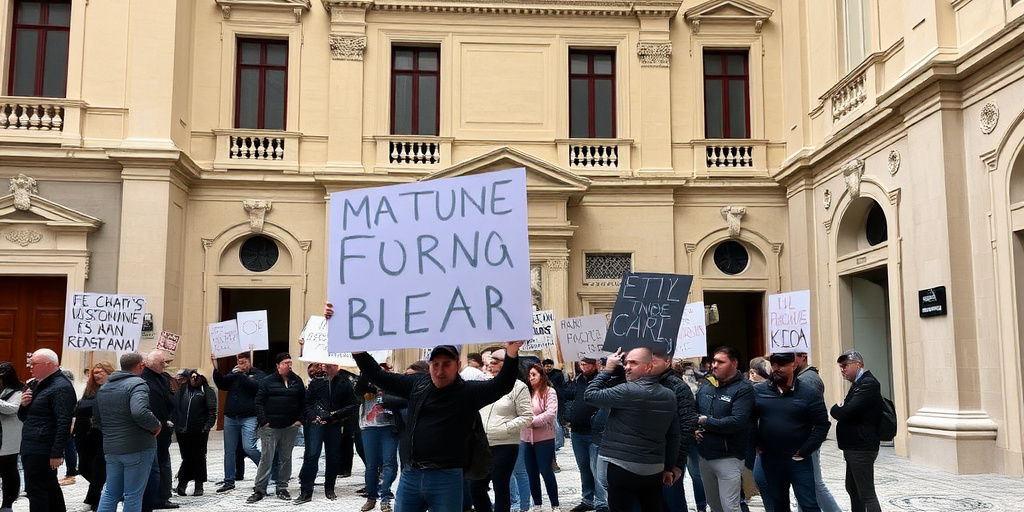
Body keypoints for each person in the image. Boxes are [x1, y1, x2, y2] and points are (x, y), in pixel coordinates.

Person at [351, 340, 524, 512]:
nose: (440, 371)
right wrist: (356, 348)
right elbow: (377, 375)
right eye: (436, 365)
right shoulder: (417, 384)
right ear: (429, 365)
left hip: (447, 478)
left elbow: (502, 385)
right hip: (411, 475)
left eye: (447, 364)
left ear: (458, 365)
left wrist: (511, 352)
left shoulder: (469, 392)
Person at [584, 347, 679, 512]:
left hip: (623, 466)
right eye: (626, 362)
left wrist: (607, 370)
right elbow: (673, 434)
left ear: (648, 367)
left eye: (633, 363)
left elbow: (590, 395)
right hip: (653, 468)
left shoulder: (628, 391)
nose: (627, 366)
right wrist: (669, 467)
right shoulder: (669, 395)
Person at [752, 353, 830, 512]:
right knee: (778, 503)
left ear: (793, 365)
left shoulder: (808, 393)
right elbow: (748, 420)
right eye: (774, 364)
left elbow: (822, 424)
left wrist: (805, 450)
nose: (776, 369)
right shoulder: (759, 392)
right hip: (771, 459)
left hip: (798, 460)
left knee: (808, 504)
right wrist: (756, 443)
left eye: (781, 365)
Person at [94, 353, 162, 512]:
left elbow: (97, 417)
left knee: (110, 492)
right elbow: (139, 412)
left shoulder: (105, 387)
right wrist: (156, 425)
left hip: (111, 446)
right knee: (133, 494)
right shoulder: (137, 384)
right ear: (140, 365)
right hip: (137, 446)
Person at [470, 349, 532, 512]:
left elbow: (527, 417)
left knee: (501, 487)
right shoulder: (483, 384)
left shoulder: (519, 387)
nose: (491, 364)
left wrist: (505, 427)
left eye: (496, 361)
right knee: (475, 487)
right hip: (480, 445)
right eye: (489, 361)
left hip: (505, 445)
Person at [694, 346, 755, 512]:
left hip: (729, 457)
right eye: (713, 361)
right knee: (714, 505)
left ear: (734, 364)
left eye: (720, 362)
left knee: (730, 507)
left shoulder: (743, 388)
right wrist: (695, 428)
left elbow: (736, 422)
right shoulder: (706, 385)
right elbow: (695, 412)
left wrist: (705, 422)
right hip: (705, 455)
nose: (714, 365)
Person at [19, 349, 76, 512]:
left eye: (33, 364)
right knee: (49, 488)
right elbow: (26, 417)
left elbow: (64, 422)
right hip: (32, 444)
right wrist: (24, 405)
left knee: (37, 491)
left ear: (49, 364)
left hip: (42, 447)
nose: (30, 367)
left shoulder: (60, 387)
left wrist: (57, 452)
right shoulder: (37, 384)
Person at [247, 353, 305, 503]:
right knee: (267, 458)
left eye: (290, 362)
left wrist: (299, 420)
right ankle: (259, 489)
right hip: (270, 427)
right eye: (285, 363)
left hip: (290, 426)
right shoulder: (267, 381)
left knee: (285, 458)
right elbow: (258, 402)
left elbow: (303, 401)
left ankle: (282, 487)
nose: (289, 365)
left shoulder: (296, 380)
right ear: (278, 365)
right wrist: (264, 421)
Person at [296, 363, 358, 504]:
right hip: (316, 423)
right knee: (312, 455)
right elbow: (307, 403)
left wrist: (336, 415)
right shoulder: (317, 382)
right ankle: (306, 490)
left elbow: (353, 404)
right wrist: (314, 417)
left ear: (336, 367)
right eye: (324, 366)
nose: (325, 368)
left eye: (328, 366)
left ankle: (330, 488)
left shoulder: (344, 382)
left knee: (333, 456)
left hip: (334, 423)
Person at [829, 350, 883, 512]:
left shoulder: (868, 384)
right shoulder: (858, 384)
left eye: (845, 366)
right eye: (840, 367)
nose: (842, 370)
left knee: (866, 493)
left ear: (858, 364)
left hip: (862, 447)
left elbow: (845, 411)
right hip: (853, 446)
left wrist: (835, 409)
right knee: (852, 488)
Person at [793, 353, 842, 512]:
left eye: (792, 357)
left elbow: (807, 411)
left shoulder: (807, 379)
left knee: (814, 482)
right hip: (805, 437)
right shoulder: (805, 376)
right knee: (805, 483)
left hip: (807, 438)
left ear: (803, 357)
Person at [211, 352, 266, 493]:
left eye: (243, 362)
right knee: (229, 451)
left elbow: (255, 387)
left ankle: (267, 471)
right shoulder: (234, 374)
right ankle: (229, 480)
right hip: (231, 417)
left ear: (250, 362)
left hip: (249, 417)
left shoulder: (258, 374)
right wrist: (215, 369)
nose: (240, 365)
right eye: (239, 362)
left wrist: (241, 375)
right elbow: (222, 384)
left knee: (249, 447)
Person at [354, 365, 404, 512]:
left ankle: (386, 496)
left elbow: (401, 399)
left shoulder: (392, 382)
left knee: (390, 463)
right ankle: (371, 497)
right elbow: (357, 393)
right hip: (369, 426)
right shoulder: (363, 382)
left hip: (389, 426)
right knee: (371, 465)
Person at [652, 350, 697, 512]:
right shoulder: (642, 383)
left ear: (667, 361)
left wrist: (677, 464)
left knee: (672, 500)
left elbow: (686, 425)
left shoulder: (678, 387)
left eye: (654, 359)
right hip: (647, 457)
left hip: (669, 458)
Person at [74, 362, 115, 512]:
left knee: (99, 469)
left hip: (102, 434)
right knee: (84, 468)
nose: (97, 375)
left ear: (109, 373)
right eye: (95, 373)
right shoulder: (89, 389)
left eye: (100, 372)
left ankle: (97, 498)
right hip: (84, 435)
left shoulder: (112, 388)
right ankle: (107, 490)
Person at [562, 356, 601, 512]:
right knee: (584, 467)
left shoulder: (601, 380)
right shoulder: (577, 380)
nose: (583, 366)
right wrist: (568, 417)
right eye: (581, 363)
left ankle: (601, 501)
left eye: (587, 363)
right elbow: (569, 398)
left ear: (595, 364)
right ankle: (587, 498)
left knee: (596, 468)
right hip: (578, 431)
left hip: (595, 432)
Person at [521, 363, 561, 511]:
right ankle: (537, 504)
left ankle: (555, 504)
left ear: (541, 376)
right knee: (531, 472)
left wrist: (532, 422)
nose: (531, 378)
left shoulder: (549, 392)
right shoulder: (526, 393)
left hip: (544, 438)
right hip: (526, 437)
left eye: (534, 375)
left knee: (545, 470)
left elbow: (550, 413)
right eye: (529, 375)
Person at [141, 350, 177, 510]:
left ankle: (162, 495)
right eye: (161, 362)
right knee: (157, 464)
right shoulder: (145, 379)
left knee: (162, 463)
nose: (164, 364)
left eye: (164, 362)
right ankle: (158, 497)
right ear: (149, 363)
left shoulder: (161, 378)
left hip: (161, 426)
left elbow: (170, 399)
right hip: (153, 429)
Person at [172, 370, 217, 497]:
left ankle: (198, 484)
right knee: (187, 458)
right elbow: (175, 409)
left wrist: (207, 426)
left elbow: (212, 411)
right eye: (191, 377)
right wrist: (176, 424)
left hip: (199, 430)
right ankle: (183, 483)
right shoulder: (182, 391)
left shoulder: (206, 391)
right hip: (182, 430)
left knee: (199, 457)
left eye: (196, 377)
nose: (193, 379)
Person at [0, 362, 24, 512]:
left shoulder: (19, 391)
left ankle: (8, 503)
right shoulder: (3, 391)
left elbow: (13, 409)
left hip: (9, 436)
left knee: (9, 470)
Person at [542, 358, 567, 472]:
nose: (548, 367)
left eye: (549, 365)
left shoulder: (557, 374)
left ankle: (552, 460)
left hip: (555, 403)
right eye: (546, 365)